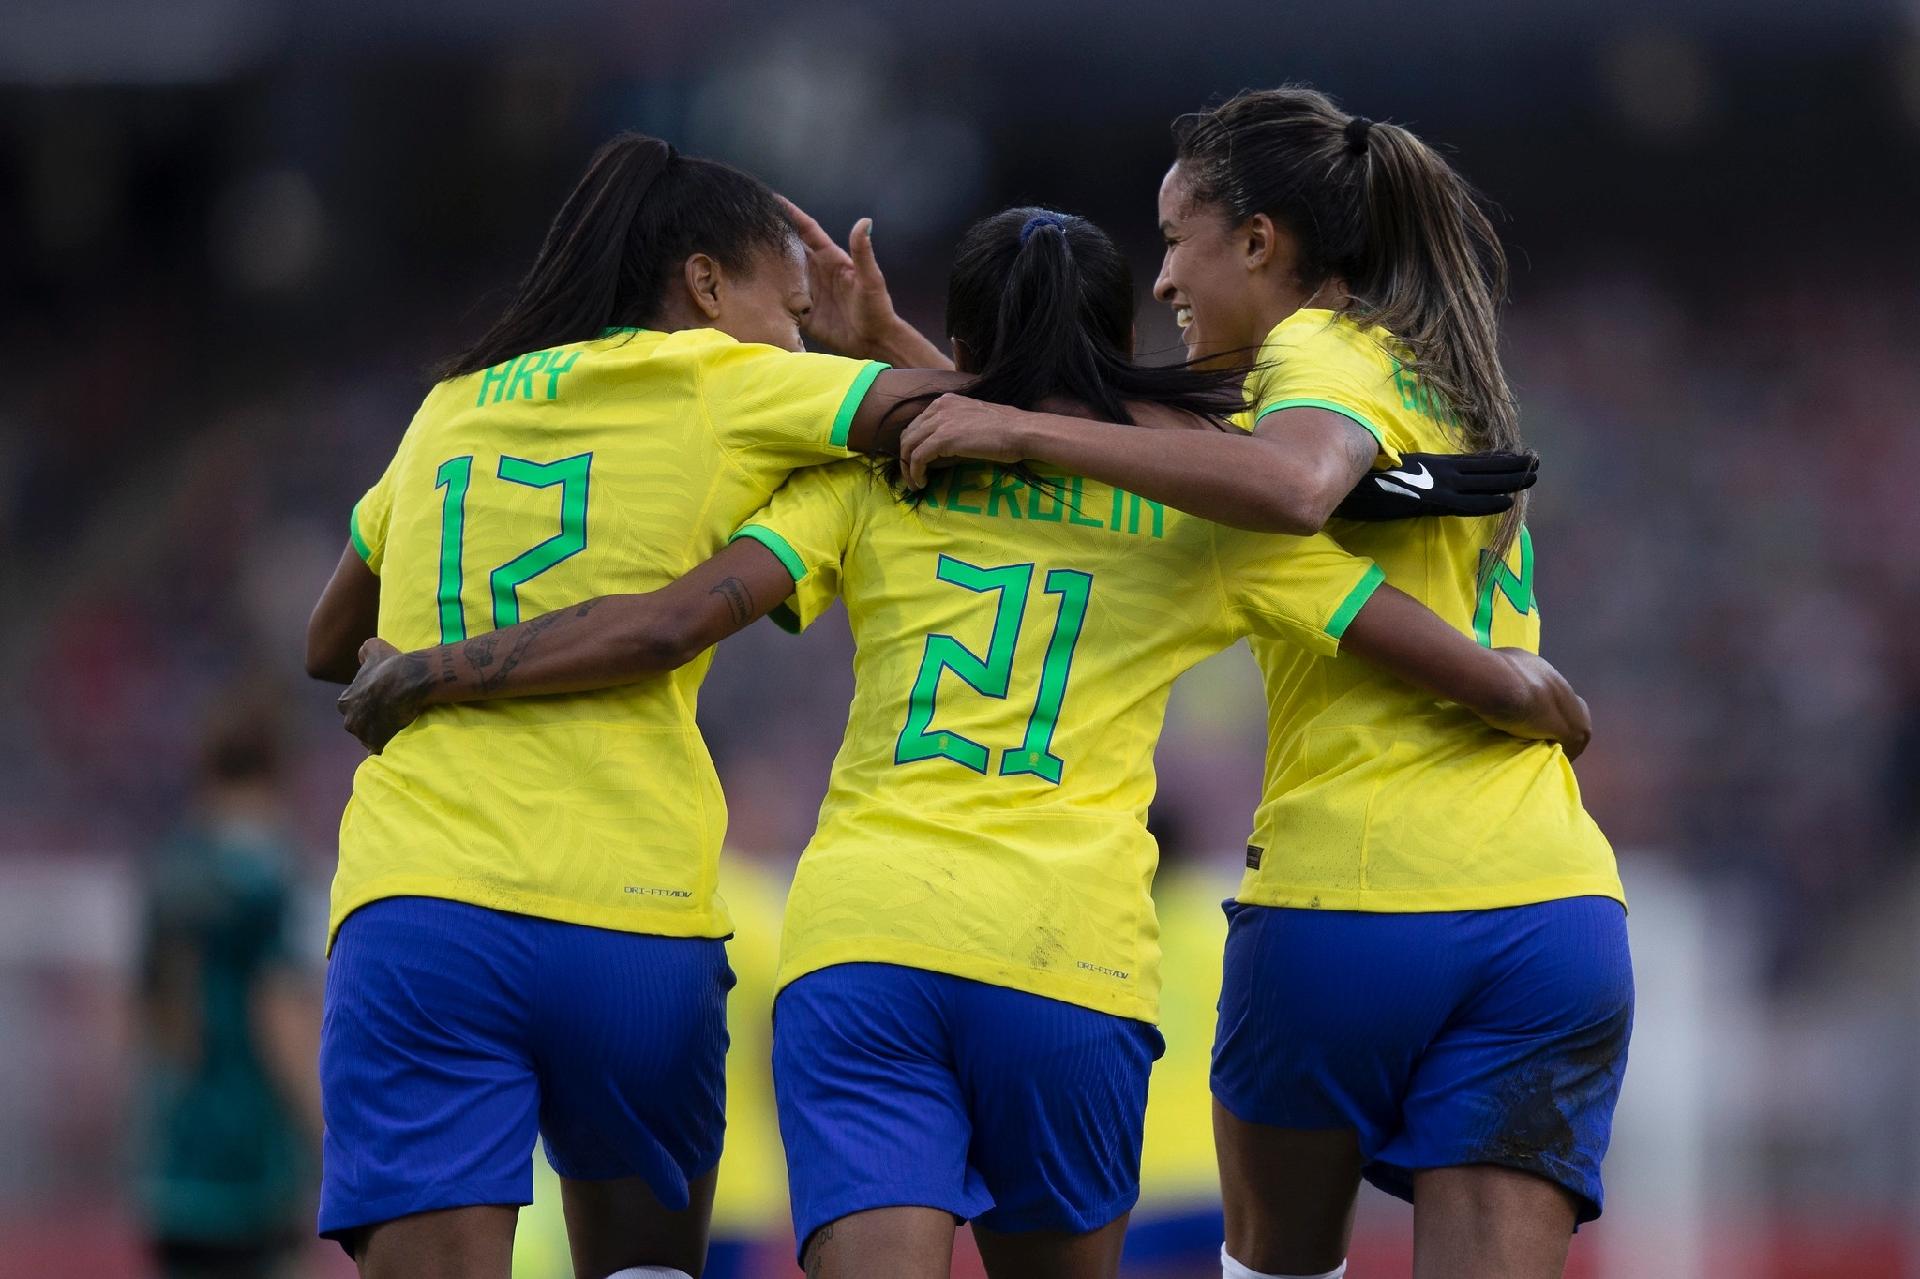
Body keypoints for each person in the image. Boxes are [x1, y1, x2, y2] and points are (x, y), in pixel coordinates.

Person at [335, 205, 1588, 1279]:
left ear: (965, 343)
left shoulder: (872, 482)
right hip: (1065, 964)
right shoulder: (1202, 525)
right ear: (1116, 341)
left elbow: (682, 613)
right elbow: (1393, 630)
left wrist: (439, 666)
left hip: (866, 945)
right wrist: (1525, 689)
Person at [889, 88, 1631, 1279]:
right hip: (1552, 915)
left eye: (1177, 239)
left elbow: (1285, 488)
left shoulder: (1311, 352)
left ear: (1259, 241)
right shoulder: (1425, 368)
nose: (1166, 280)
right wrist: (929, 367)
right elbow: (1134, 453)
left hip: (1353, 904)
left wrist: (1015, 432)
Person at [301, 132, 970, 1279]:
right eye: (794, 307)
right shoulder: (732, 380)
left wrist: (435, 653)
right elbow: (997, 427)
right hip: (633, 914)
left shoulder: (448, 406)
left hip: (421, 905)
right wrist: (875, 344)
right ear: (707, 285)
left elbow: (326, 643)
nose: (801, 336)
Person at [133, 692, 320, 1279]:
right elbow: (280, 1014)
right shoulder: (273, 876)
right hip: (254, 1171)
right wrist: (329, 1132)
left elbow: (152, 1016)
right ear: (275, 771)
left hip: (176, 1170)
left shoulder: (169, 869)